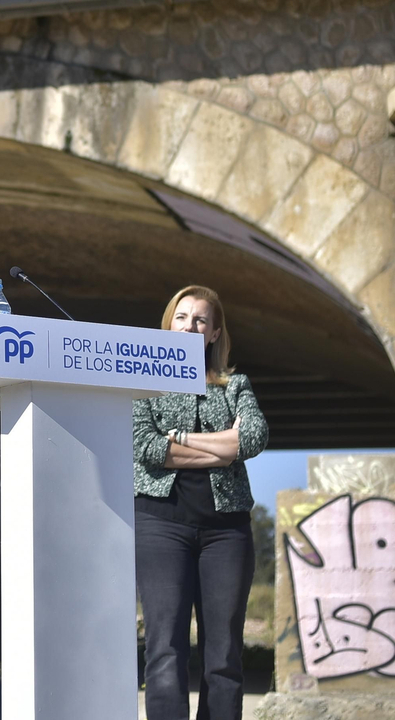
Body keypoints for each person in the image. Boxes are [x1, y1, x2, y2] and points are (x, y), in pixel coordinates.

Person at [133, 285, 269, 720]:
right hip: (160, 525)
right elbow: (147, 446)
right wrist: (222, 445)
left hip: (226, 531)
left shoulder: (236, 384)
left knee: (224, 654)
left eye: (200, 320)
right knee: (165, 648)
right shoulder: (143, 383)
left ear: (213, 333)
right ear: (169, 324)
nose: (190, 325)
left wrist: (185, 440)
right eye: (182, 317)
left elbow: (252, 438)